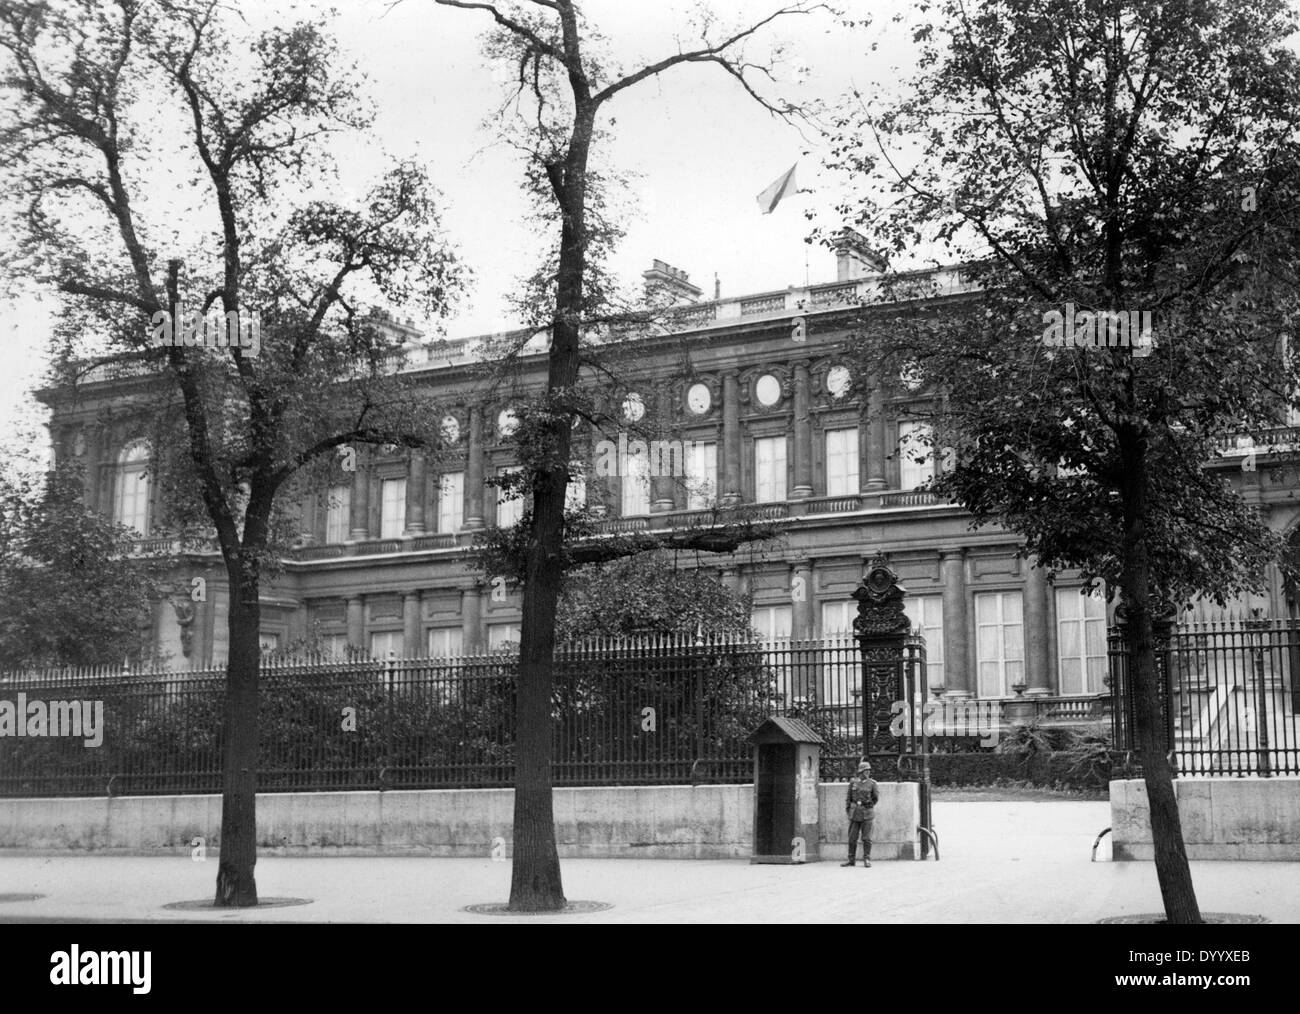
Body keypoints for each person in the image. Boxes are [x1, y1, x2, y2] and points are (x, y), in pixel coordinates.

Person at [842, 759, 879, 867]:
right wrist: (849, 810)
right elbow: (848, 798)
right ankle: (851, 860)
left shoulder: (872, 783)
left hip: (867, 813)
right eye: (865, 771)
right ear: (860, 772)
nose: (867, 772)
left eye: (868, 771)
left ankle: (867, 859)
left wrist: (867, 805)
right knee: (852, 838)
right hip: (854, 813)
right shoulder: (853, 783)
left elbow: (875, 798)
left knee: (866, 838)